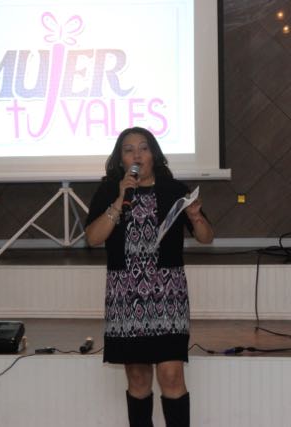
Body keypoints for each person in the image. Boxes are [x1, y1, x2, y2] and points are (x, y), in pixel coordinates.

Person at [85, 127, 213, 427]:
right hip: (126, 295)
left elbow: (207, 237)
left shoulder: (174, 189)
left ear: (153, 154)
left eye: (143, 148)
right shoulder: (109, 190)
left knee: (171, 374)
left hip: (167, 293)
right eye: (129, 150)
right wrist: (119, 200)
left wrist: (195, 216)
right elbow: (93, 238)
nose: (137, 155)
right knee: (138, 376)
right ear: (121, 159)